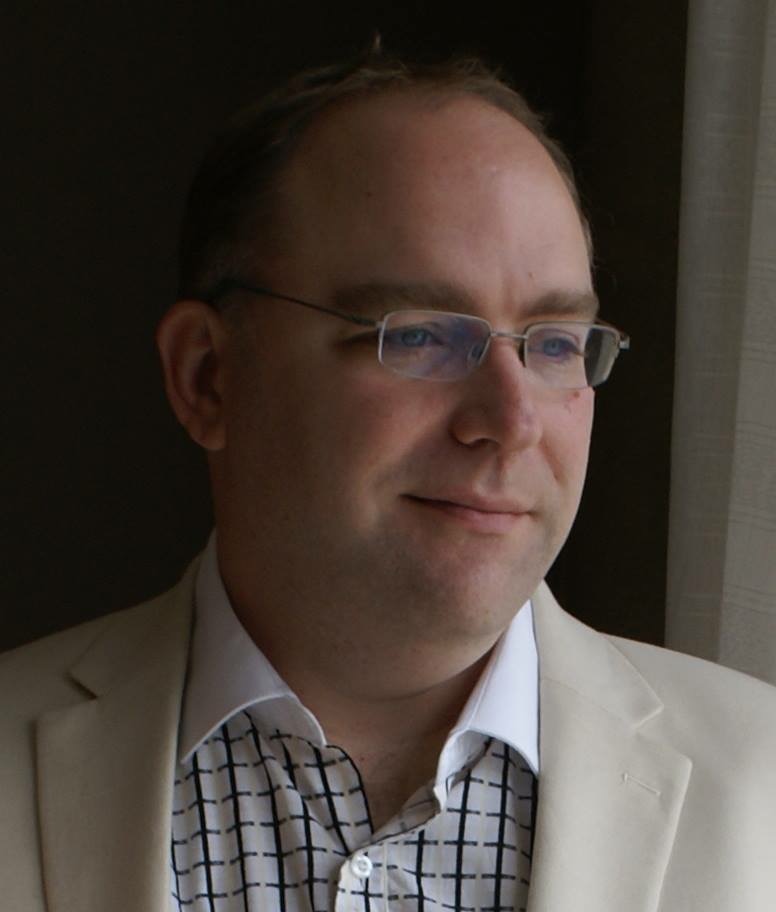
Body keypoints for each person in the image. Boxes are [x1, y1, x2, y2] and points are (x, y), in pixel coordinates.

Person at [3, 48, 776, 912]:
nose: (512, 420)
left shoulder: (764, 790)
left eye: (556, 343)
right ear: (207, 378)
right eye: (418, 336)